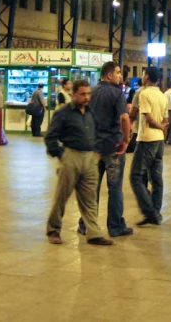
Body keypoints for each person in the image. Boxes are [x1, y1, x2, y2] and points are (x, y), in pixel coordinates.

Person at [44, 79, 113, 246]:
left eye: (88, 93)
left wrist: (97, 152)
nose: (87, 97)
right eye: (83, 94)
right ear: (73, 94)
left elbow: (97, 132)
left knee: (90, 198)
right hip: (71, 157)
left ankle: (94, 233)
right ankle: (53, 230)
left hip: (89, 159)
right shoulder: (63, 113)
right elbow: (51, 137)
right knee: (62, 196)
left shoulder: (90, 113)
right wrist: (62, 155)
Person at [77, 62, 133, 238]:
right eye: (117, 73)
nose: (120, 76)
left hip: (94, 147)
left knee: (91, 187)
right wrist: (126, 139)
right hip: (113, 147)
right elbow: (124, 118)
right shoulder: (116, 94)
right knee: (115, 188)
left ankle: (85, 224)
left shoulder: (90, 92)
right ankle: (115, 226)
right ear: (109, 75)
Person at [130, 66, 168, 226]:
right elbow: (166, 121)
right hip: (159, 141)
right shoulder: (162, 95)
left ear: (146, 77)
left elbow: (148, 118)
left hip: (147, 139)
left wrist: (158, 127)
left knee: (135, 176)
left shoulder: (144, 94)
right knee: (156, 178)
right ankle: (156, 211)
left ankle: (150, 212)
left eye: (143, 74)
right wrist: (162, 129)